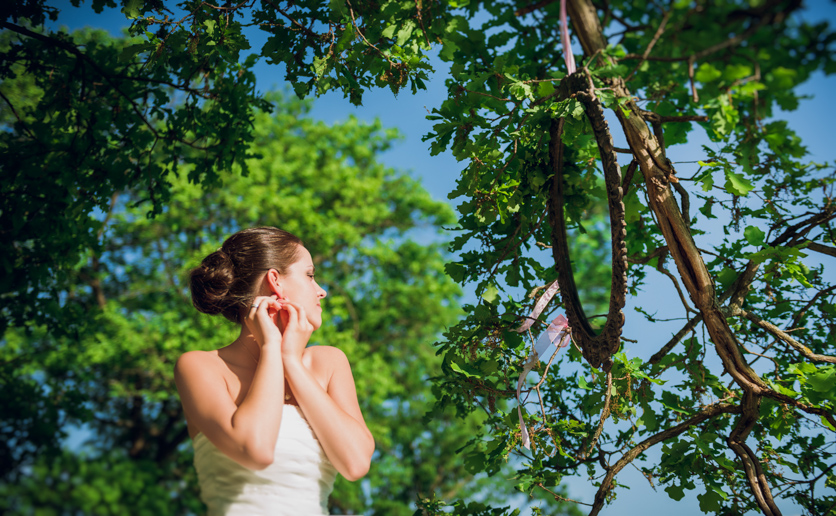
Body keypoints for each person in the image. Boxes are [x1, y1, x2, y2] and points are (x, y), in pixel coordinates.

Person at [175, 227, 374, 515]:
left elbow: (355, 464)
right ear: (275, 281)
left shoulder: (328, 363)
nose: (322, 291)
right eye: (309, 274)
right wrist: (271, 349)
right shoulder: (200, 367)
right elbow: (255, 450)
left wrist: (291, 361)